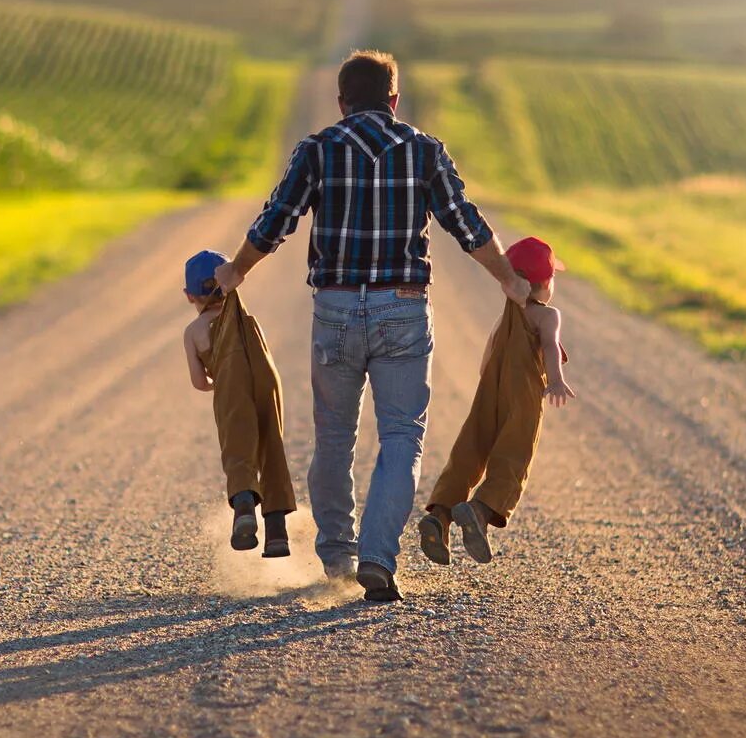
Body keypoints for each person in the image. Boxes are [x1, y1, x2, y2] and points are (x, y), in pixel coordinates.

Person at [211, 50, 527, 602]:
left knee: (334, 437)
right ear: (394, 100)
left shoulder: (317, 151)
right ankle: (379, 558)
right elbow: (468, 225)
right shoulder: (425, 150)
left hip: (333, 310)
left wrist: (235, 270)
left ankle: (338, 556)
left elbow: (274, 222)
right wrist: (509, 280)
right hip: (402, 308)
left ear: (341, 102)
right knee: (401, 437)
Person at [419, 235, 575, 566]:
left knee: (470, 450)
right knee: (513, 454)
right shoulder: (547, 316)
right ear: (544, 284)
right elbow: (549, 346)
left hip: (488, 392)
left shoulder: (502, 318)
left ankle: (440, 515)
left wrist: (489, 387)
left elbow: (487, 357)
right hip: (524, 397)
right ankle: (480, 509)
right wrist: (557, 380)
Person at [180, 249, 294, 557]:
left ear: (189, 295)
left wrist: (224, 382)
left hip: (231, 386)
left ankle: (244, 507)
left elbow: (199, 382)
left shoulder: (194, 332)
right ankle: (277, 535)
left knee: (238, 448)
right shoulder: (243, 316)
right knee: (271, 446)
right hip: (267, 379)